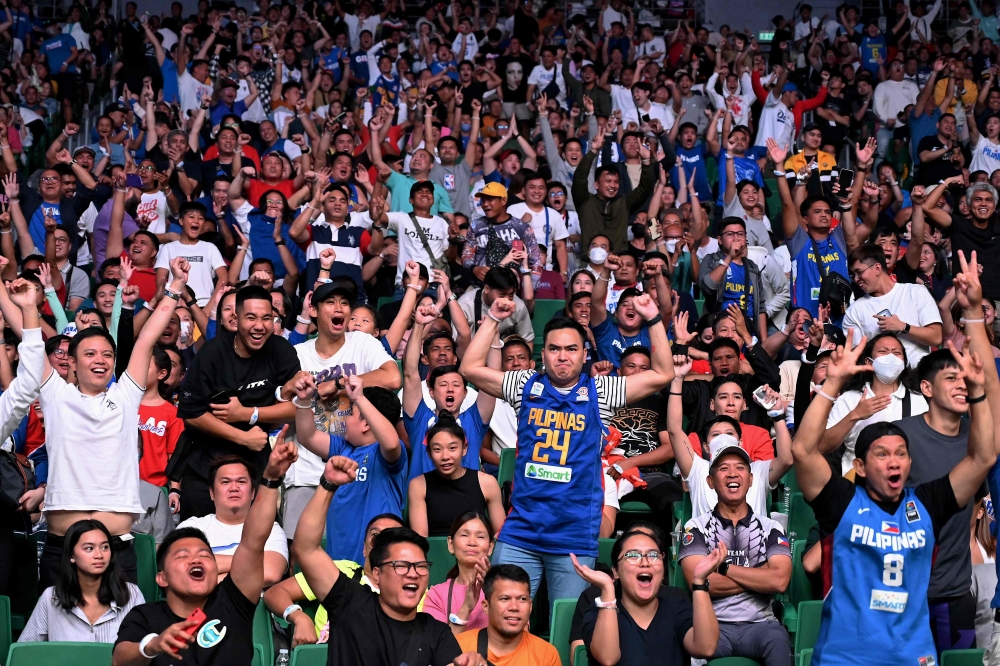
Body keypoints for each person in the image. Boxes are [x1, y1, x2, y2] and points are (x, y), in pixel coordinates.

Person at [790, 272, 995, 666]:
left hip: (911, 656)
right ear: (862, 467)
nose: (895, 460)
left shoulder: (928, 505)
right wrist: (832, 384)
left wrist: (979, 393)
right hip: (846, 657)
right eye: (882, 454)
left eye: (901, 452)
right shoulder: (843, 502)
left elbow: (982, 458)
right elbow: (803, 450)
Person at [461, 295, 674, 607]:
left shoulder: (601, 390)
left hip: (574, 536)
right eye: (555, 349)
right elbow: (469, 367)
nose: (563, 356)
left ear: (584, 353)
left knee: (568, 628)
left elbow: (663, 374)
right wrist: (492, 317)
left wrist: (654, 319)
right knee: (500, 620)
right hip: (521, 531)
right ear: (543, 353)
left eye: (571, 349)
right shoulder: (524, 384)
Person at [30, 258, 189, 589]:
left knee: (120, 637)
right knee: (56, 636)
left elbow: (146, 338)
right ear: (70, 362)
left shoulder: (126, 395)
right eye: (89, 354)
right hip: (62, 547)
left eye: (106, 355)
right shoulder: (56, 395)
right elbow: (31, 342)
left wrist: (174, 287)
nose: (99, 360)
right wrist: (24, 304)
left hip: (117, 547)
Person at [112, 428, 299, 665]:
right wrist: (153, 645)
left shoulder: (234, 607)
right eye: (183, 555)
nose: (196, 559)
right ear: (161, 577)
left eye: (205, 554)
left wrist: (271, 479)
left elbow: (253, 545)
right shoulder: (147, 616)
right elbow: (119, 660)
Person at [292, 457, 481, 666]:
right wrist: (328, 485)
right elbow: (306, 549)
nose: (413, 573)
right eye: (401, 565)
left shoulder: (436, 632)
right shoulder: (351, 603)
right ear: (377, 574)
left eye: (420, 566)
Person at [176, 286, 300, 521]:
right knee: (199, 544)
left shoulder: (280, 350)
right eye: (251, 317)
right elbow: (191, 413)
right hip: (206, 467)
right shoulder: (213, 353)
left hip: (256, 468)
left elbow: (295, 408)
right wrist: (241, 437)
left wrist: (247, 414)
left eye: (266, 318)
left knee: (259, 544)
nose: (259, 326)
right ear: (236, 318)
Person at [678, 440, 793, 666]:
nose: (732, 474)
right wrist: (760, 575)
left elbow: (779, 581)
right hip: (712, 624)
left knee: (779, 640)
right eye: (723, 468)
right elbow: (699, 582)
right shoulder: (696, 527)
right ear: (710, 482)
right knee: (690, 649)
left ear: (750, 480)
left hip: (761, 625)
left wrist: (725, 568)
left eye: (740, 468)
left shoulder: (771, 527)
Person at [292, 371, 407, 564]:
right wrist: (304, 401)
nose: (345, 419)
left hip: (378, 563)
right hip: (338, 562)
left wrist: (359, 398)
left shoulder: (385, 452)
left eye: (351, 413)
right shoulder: (343, 448)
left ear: (366, 424)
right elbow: (308, 436)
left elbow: (391, 443)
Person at [571, 529, 726, 665]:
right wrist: (607, 588)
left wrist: (699, 581)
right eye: (633, 555)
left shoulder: (677, 608)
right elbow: (608, 659)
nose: (645, 562)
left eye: (653, 555)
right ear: (616, 571)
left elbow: (706, 648)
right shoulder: (598, 612)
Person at [262, 513, 406, 647]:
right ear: (364, 548)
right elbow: (275, 593)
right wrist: (299, 617)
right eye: (375, 535)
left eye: (391, 536)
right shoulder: (337, 572)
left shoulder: (413, 590)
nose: (381, 541)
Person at [19, 519, 144, 643]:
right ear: (71, 556)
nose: (99, 555)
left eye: (105, 547)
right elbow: (24, 653)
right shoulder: (51, 597)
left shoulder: (132, 594)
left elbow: (146, 649)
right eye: (89, 548)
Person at [822, 333, 928, 475]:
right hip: (857, 484)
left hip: (905, 481)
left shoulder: (918, 400)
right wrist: (855, 415)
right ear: (869, 362)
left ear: (903, 362)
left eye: (896, 352)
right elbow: (824, 445)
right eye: (883, 352)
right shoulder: (849, 399)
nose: (890, 357)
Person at [175, 456, 289, 586]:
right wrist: (254, 562)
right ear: (212, 493)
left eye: (241, 482)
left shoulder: (270, 529)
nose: (234, 488)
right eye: (225, 482)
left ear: (252, 492)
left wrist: (208, 576)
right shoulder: (192, 527)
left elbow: (270, 572)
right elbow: (179, 568)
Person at [407, 414, 505, 538]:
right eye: (437, 449)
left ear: (464, 449)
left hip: (476, 554)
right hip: (434, 555)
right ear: (429, 453)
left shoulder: (487, 483)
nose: (445, 456)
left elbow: (501, 535)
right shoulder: (418, 485)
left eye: (452, 448)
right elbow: (421, 539)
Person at [455, 564, 562, 665]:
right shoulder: (460, 648)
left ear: (530, 606)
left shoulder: (546, 654)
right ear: (486, 607)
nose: (514, 607)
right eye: (505, 599)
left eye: (522, 599)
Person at [423, 512, 493, 635]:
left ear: (490, 546)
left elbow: (521, 638)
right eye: (465, 535)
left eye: (480, 537)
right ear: (451, 544)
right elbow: (436, 646)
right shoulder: (436, 595)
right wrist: (466, 608)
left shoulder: (506, 589)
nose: (472, 542)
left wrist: (493, 591)